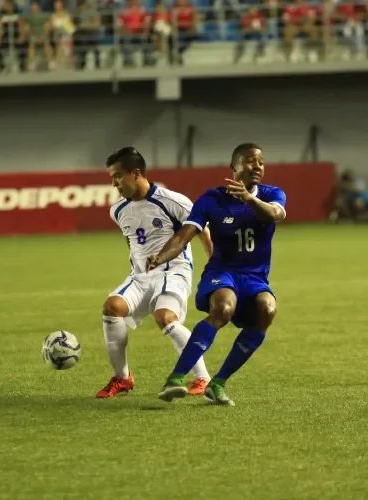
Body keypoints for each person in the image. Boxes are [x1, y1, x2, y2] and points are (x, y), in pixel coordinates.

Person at [147, 143, 287, 406]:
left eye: (261, 162)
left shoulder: (272, 194)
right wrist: (161, 256)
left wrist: (249, 199)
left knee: (267, 310)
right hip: (222, 272)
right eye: (249, 161)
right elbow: (184, 235)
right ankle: (176, 378)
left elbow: (274, 215)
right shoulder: (212, 199)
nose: (257, 167)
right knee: (223, 307)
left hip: (255, 278)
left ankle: (218, 383)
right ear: (233, 167)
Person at [97, 147, 214, 399]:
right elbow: (132, 242)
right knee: (111, 308)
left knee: (165, 317)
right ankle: (122, 378)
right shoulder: (117, 210)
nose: (114, 182)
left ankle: (203, 378)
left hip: (174, 271)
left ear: (136, 173)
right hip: (140, 276)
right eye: (111, 177)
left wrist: (213, 262)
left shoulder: (172, 200)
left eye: (117, 176)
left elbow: (201, 228)